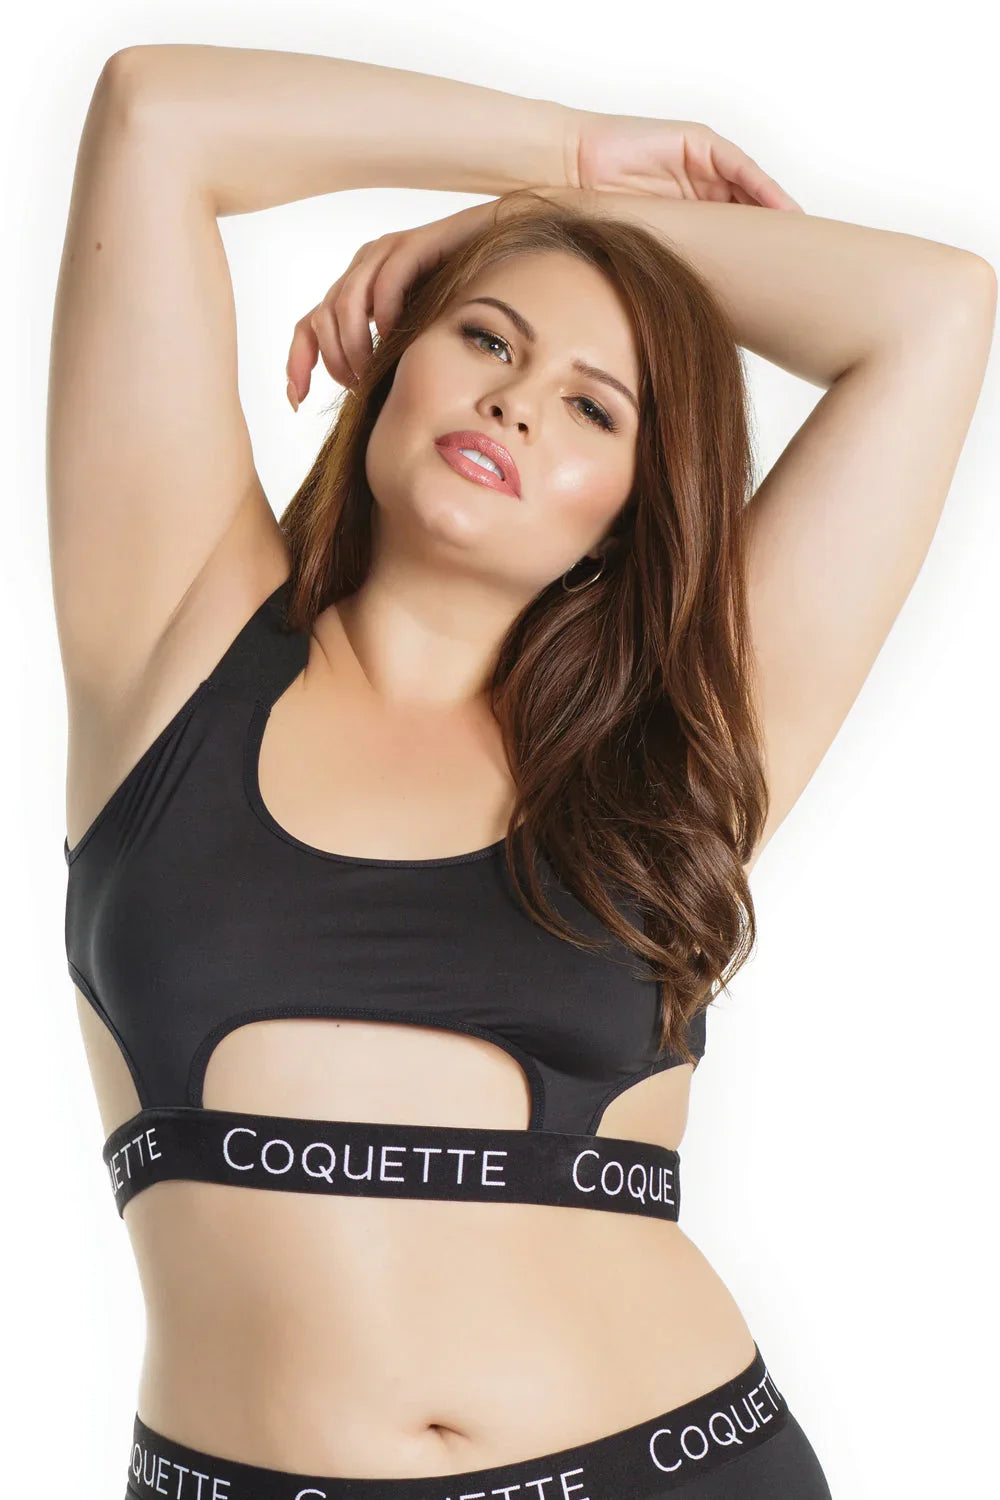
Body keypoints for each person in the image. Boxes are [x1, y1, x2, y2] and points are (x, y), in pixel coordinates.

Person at [48, 43, 994, 1500]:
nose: (518, 401)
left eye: (594, 407)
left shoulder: (679, 738)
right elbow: (154, 115)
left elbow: (935, 311)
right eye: (487, 338)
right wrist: (563, 164)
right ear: (396, 359)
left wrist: (527, 238)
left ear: (630, 510)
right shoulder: (175, 639)